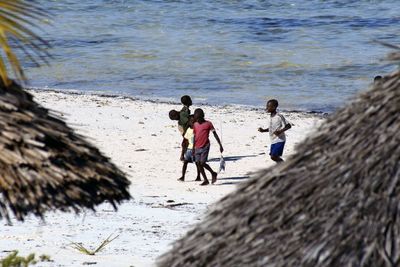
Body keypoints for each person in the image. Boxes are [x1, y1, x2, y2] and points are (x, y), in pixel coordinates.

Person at [193, 108, 224, 186]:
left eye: (199, 118)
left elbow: (215, 134)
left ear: (203, 116)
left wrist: (220, 144)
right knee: (198, 163)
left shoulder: (208, 124)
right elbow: (195, 136)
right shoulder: (195, 124)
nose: (198, 120)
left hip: (205, 146)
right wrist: (193, 147)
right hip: (197, 146)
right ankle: (206, 179)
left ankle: (213, 173)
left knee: (202, 163)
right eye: (196, 118)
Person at [258, 99, 291, 163]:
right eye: (266, 106)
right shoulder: (270, 117)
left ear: (274, 107)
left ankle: (285, 166)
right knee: (273, 157)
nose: (266, 108)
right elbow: (271, 128)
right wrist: (263, 130)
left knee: (274, 156)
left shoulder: (279, 116)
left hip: (280, 140)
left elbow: (288, 126)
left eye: (268, 106)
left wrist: (280, 131)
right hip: (273, 140)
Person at [178, 115, 201, 182]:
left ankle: (198, 176)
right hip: (189, 149)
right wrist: (184, 146)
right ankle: (183, 176)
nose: (192, 122)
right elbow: (186, 139)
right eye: (191, 121)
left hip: (196, 149)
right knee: (185, 162)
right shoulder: (188, 130)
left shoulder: (197, 130)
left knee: (197, 163)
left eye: (193, 121)